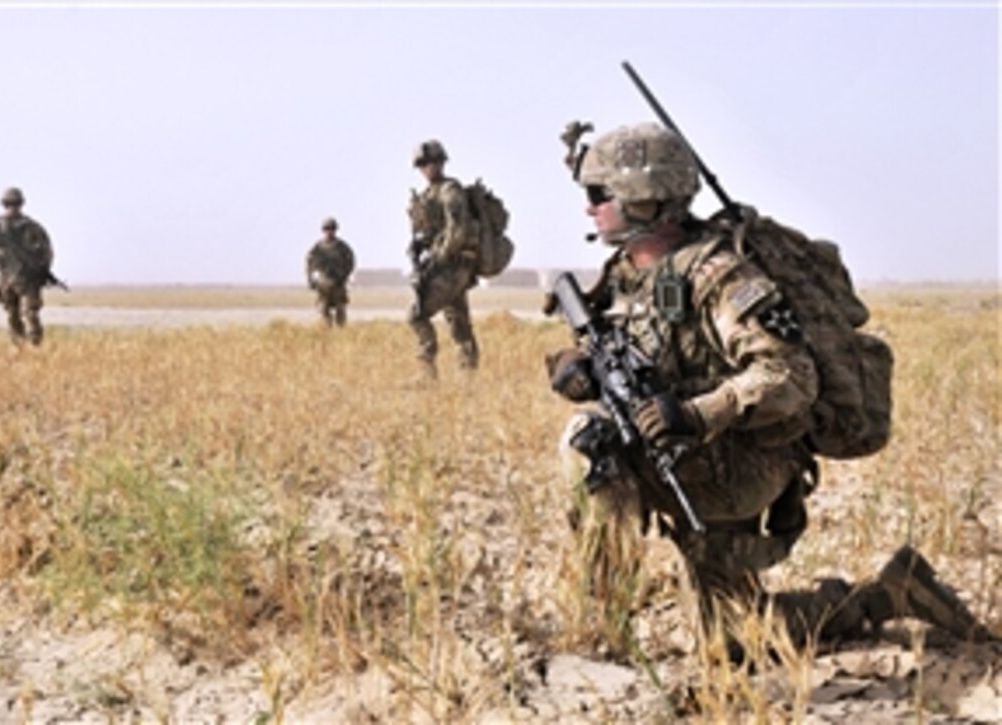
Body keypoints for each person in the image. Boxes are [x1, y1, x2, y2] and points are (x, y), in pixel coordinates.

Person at [546, 122, 993, 652]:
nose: (589, 208)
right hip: (691, 453)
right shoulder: (628, 272)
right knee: (735, 641)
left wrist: (695, 413)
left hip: (738, 463)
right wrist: (575, 366)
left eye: (600, 194)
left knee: (589, 441)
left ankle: (604, 629)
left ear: (645, 198)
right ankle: (889, 596)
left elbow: (790, 376)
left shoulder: (718, 276)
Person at [406, 140, 481, 379]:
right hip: (446, 265)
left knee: (417, 315)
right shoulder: (429, 194)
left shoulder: (450, 190)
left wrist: (438, 256)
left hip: (453, 265)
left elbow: (457, 229)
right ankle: (468, 375)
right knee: (458, 320)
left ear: (441, 163)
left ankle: (427, 371)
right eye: (423, 164)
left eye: (432, 163)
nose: (428, 168)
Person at [0, 187, 56, 346]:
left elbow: (46, 252)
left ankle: (31, 348)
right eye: (11, 203)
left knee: (26, 314)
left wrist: (41, 271)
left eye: (15, 203)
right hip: (10, 278)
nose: (13, 207)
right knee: (17, 315)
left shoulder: (30, 226)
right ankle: (24, 348)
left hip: (22, 278)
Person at [305, 217, 356, 327]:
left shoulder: (342, 247)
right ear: (323, 230)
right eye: (327, 229)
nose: (329, 231)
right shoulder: (318, 248)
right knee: (323, 311)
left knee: (340, 310)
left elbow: (351, 261)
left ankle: (341, 333)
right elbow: (309, 263)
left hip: (338, 283)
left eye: (332, 229)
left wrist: (344, 275)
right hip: (324, 284)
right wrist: (311, 280)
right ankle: (327, 333)